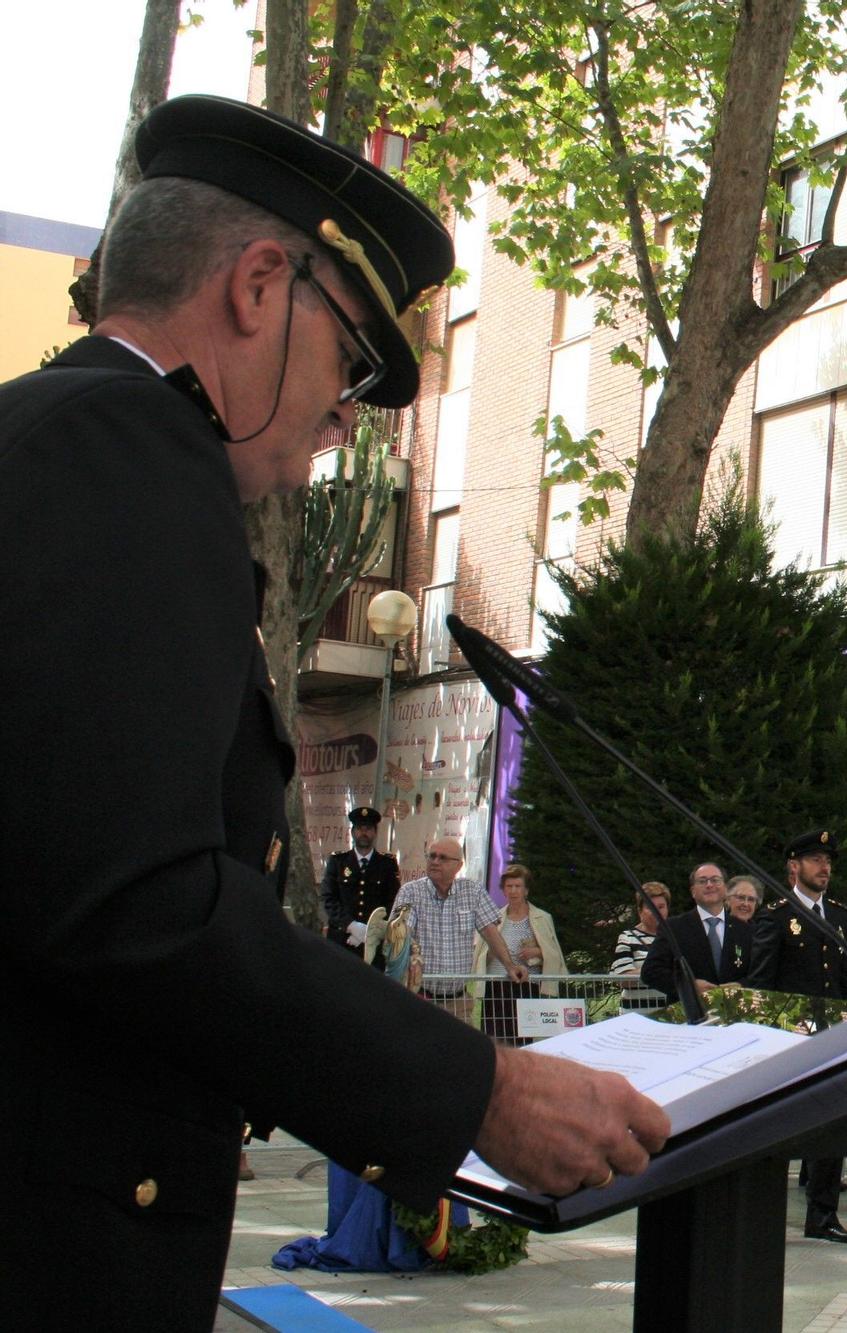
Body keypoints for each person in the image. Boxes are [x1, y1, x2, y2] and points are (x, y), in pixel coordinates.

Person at [0, 95, 670, 1325]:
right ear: (260, 285)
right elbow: (136, 902)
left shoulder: (50, 438)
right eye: (353, 357)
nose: (349, 412)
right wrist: (476, 1092)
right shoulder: (131, 457)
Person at [745, 829, 847, 1244]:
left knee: (832, 1127)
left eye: (828, 860)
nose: (824, 867)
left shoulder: (842, 916)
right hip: (791, 1040)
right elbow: (762, 985)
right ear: (794, 867)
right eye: (815, 860)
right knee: (781, 1127)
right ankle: (762, 1212)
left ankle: (822, 1214)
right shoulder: (776, 916)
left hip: (832, 1039)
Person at [396, 839, 530, 1023]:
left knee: (460, 1052)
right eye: (431, 856)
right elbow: (402, 935)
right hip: (419, 997)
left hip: (459, 1001)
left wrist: (510, 965)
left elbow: (491, 932)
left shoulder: (472, 891)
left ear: (458, 865)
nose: (435, 861)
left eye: (442, 858)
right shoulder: (410, 892)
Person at [472, 863, 568, 1045]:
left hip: (528, 986)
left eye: (518, 886)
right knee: (495, 1039)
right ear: (503, 890)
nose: (514, 891)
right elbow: (481, 954)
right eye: (509, 886)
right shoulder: (493, 918)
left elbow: (554, 954)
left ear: (526, 890)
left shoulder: (542, 918)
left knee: (525, 1040)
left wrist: (538, 951)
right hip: (497, 987)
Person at [646, 862, 751, 997]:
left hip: (735, 1011)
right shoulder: (673, 927)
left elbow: (759, 973)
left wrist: (742, 986)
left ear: (726, 888)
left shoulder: (745, 929)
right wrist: (688, 985)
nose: (709, 885)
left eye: (715, 880)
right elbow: (650, 972)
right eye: (702, 881)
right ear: (693, 891)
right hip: (689, 1012)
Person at [322, 806, 400, 961]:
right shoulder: (338, 861)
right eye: (359, 828)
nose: (364, 833)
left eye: (369, 828)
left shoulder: (387, 864)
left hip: (374, 943)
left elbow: (393, 901)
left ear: (375, 833)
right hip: (341, 939)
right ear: (352, 832)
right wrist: (351, 926)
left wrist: (369, 931)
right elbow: (329, 899)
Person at [610, 881, 672, 978]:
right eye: (650, 907)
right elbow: (622, 978)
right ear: (640, 911)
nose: (656, 911)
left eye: (661, 907)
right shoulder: (627, 938)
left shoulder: (677, 936)